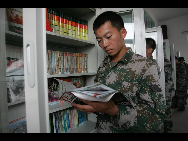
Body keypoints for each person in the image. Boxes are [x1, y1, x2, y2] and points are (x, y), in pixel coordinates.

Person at [71, 11, 165, 133]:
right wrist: (84, 94)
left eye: (108, 37)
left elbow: (156, 120)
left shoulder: (146, 67)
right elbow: (101, 99)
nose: (104, 44)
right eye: (99, 40)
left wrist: (114, 109)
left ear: (123, 33)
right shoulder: (103, 66)